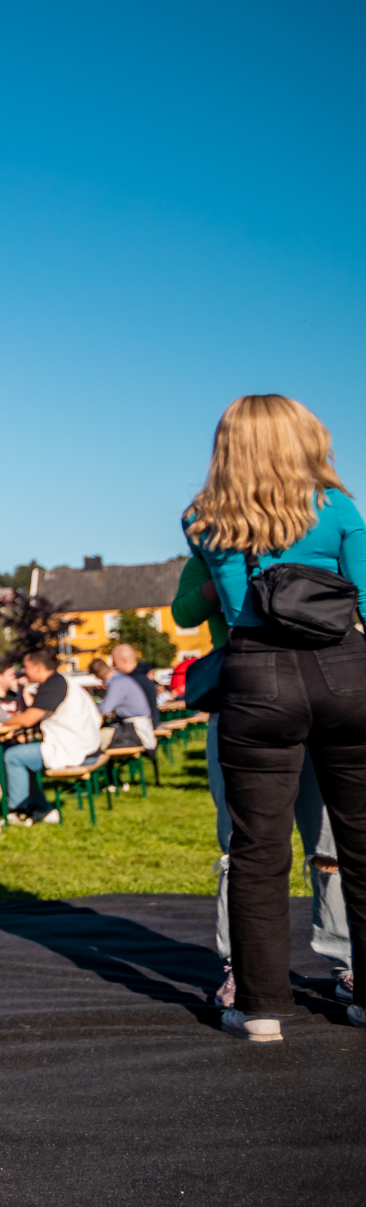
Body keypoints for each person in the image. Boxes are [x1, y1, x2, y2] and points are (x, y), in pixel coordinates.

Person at [183, 395, 365, 1039]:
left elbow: (203, 601)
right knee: (357, 840)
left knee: (257, 849)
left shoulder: (204, 522)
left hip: (256, 676)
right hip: (344, 672)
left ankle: (262, 1006)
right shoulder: (340, 508)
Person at [0, 650, 100, 826]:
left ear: (39, 667)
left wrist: (0, 724)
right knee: (23, 756)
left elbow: (28, 719)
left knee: (12, 756)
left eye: (26, 667)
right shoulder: (61, 680)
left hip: (75, 748)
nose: (23, 671)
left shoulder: (52, 685)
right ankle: (42, 808)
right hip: (86, 743)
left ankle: (16, 810)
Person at [93, 653, 154, 754]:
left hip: (134, 729)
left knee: (95, 739)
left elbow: (105, 709)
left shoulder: (116, 682)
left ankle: (97, 768)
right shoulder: (121, 678)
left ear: (97, 676)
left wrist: (90, 709)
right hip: (140, 727)